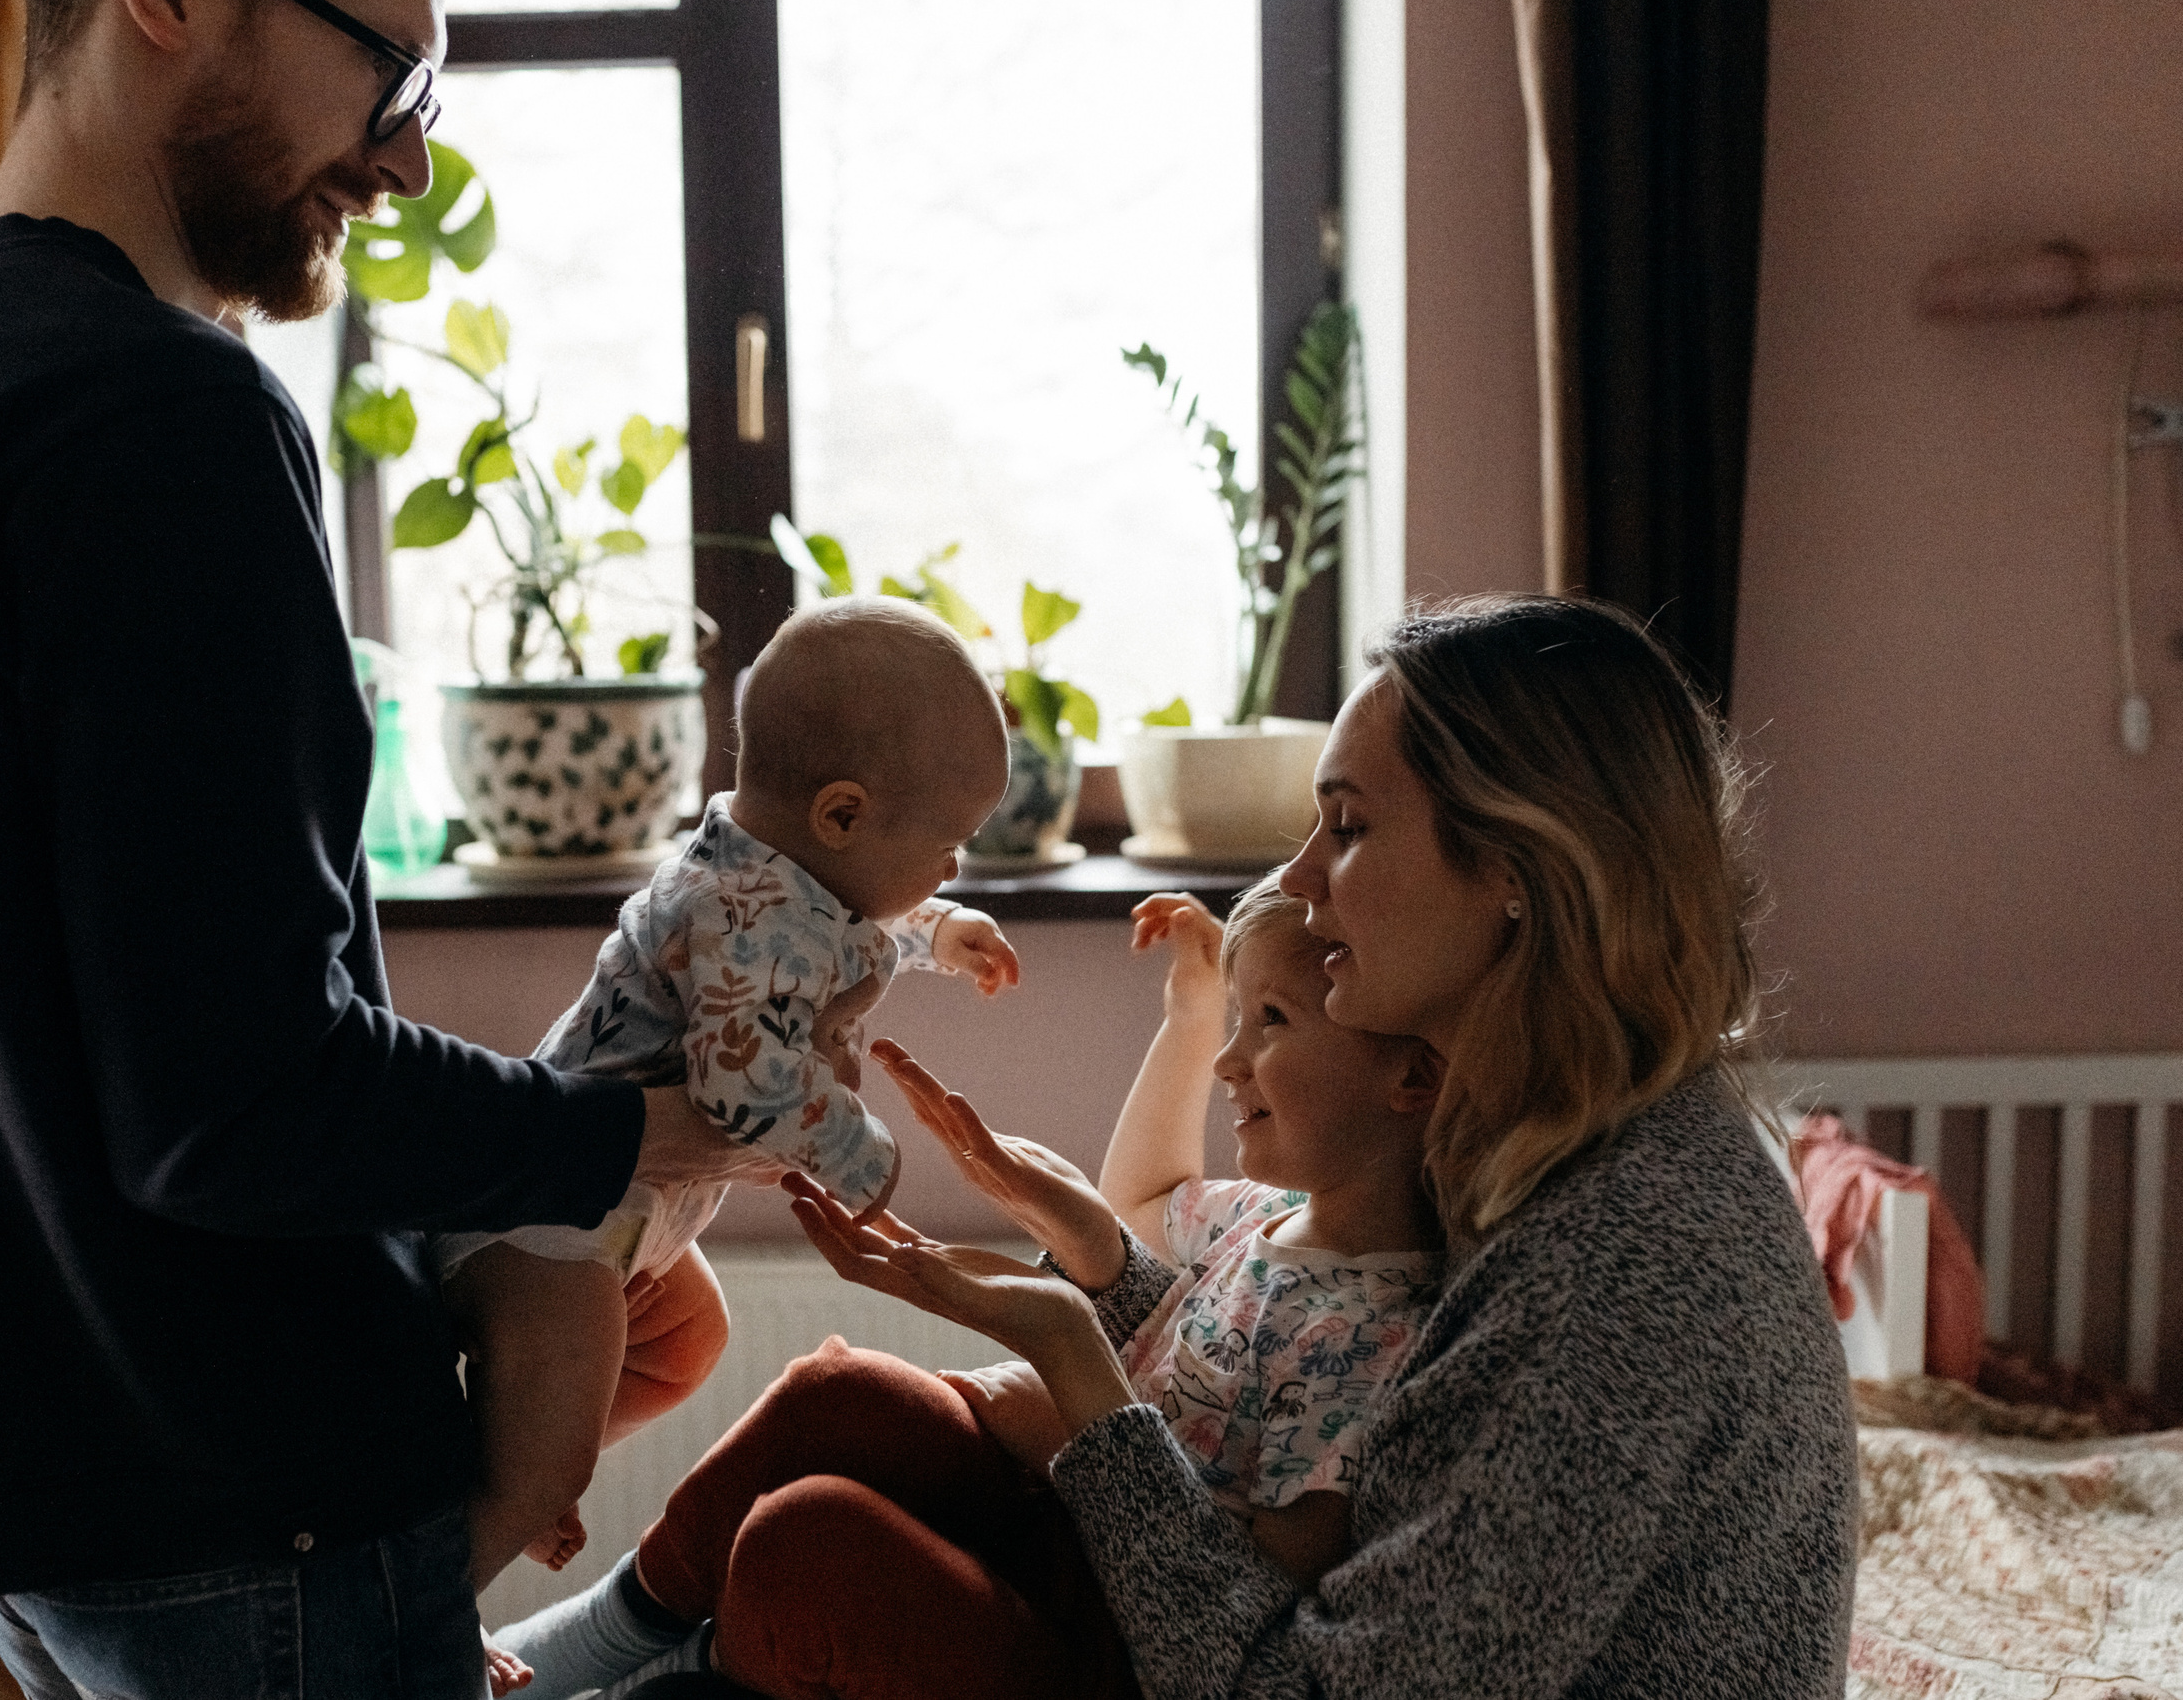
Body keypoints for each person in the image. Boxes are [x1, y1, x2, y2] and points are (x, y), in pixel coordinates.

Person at [0, 0, 766, 1694]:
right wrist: (624, 1140)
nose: (408, 155)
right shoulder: (161, 414)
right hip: (244, 1497)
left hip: (36, 1505)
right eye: (394, 69)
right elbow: (235, 1095)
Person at [789, 595, 1858, 1699]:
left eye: (1346, 829)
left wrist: (1084, 1394)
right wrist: (1110, 1287)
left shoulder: (1624, 1264)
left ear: (1514, 871)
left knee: (821, 1552)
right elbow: (1310, 1370)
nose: (1297, 879)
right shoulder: (1558, 1144)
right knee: (844, 1454)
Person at [499, 871, 1447, 1699]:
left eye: (1271, 1021)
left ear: (1413, 1075)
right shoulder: (1258, 1212)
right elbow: (1147, 1211)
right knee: (836, 1394)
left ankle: (675, 1681)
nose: (1232, 1060)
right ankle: (601, 1639)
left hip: (1122, 1645)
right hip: (1065, 1525)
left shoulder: (1397, 1339)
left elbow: (1263, 1588)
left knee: (809, 1543)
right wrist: (1189, 1018)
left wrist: (1072, 1424)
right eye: (1240, 1023)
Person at [442, 598, 1023, 1599]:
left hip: (620, 1214)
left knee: (686, 1343)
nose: (952, 864)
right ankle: (433, 1609)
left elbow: (848, 915)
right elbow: (739, 1078)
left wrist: (936, 928)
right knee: (541, 1474)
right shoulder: (739, 911)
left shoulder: (773, 872)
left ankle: (518, 1452)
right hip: (556, 1222)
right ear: (840, 813)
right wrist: (860, 1160)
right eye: (948, 846)